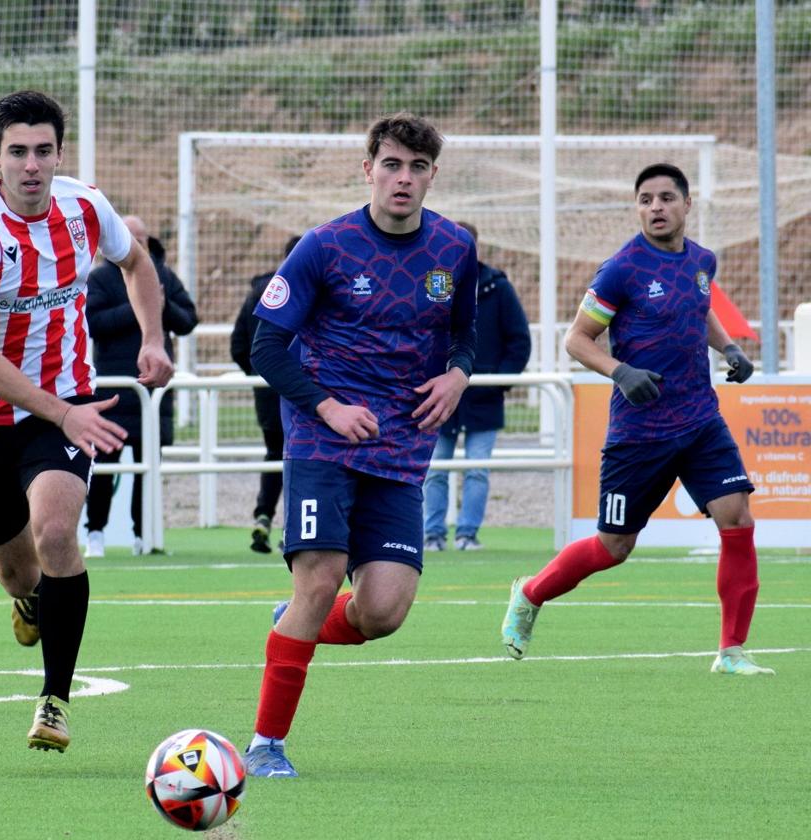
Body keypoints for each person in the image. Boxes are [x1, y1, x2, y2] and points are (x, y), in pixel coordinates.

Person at [242, 113, 477, 778]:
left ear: (433, 175)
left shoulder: (456, 249)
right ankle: (266, 744)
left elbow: (465, 335)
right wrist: (328, 406)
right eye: (393, 164)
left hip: (402, 452)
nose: (404, 178)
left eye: (418, 167)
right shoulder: (324, 247)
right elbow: (264, 345)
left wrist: (459, 375)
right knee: (318, 580)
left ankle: (293, 623)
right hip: (323, 441)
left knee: (382, 614)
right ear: (368, 168)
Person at [0, 90, 173, 752]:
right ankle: (27, 601)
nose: (32, 165)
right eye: (18, 152)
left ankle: (54, 701)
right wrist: (65, 413)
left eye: (44, 151)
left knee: (57, 533)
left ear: (59, 154)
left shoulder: (84, 205)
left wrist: (152, 338)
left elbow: (135, 262)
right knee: (18, 573)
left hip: (63, 406)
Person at [501, 163, 771, 677]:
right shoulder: (621, 269)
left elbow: (701, 305)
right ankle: (530, 594)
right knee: (613, 546)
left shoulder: (700, 262)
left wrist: (730, 346)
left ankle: (731, 652)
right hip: (640, 432)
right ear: (637, 207)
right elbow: (577, 339)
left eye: (666, 198)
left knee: (737, 520)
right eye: (646, 199)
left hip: (699, 420)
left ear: (686, 205)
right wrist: (620, 372)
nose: (656, 208)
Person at [84, 216, 198, 557]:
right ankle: (95, 534)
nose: (135, 244)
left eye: (141, 238)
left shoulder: (162, 276)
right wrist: (137, 308)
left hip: (154, 392)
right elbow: (92, 321)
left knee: (149, 469)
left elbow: (189, 320)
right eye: (129, 237)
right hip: (115, 390)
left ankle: (143, 535)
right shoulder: (100, 279)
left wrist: (162, 308)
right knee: (104, 467)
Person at [422, 220, 531, 551]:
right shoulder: (429, 284)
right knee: (435, 470)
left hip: (483, 398)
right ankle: (433, 534)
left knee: (477, 470)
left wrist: (496, 383)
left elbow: (519, 340)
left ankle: (467, 533)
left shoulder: (496, 287)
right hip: (438, 398)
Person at [230, 236, 300, 554]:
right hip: (306, 394)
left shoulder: (257, 293)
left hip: (268, 395)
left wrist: (262, 374)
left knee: (275, 454)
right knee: (302, 458)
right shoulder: (310, 289)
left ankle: (263, 516)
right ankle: (295, 527)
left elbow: (239, 346)